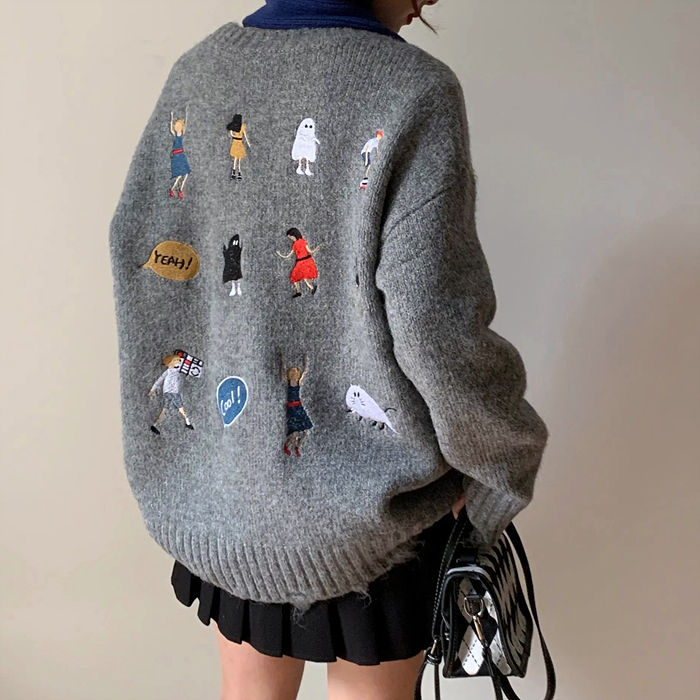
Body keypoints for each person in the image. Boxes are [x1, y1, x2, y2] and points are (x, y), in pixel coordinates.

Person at [109, 1, 550, 699]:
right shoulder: (413, 90)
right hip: (377, 526)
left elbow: (146, 260)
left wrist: (183, 462)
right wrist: (502, 460)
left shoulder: (199, 74)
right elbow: (435, 324)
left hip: (229, 505)